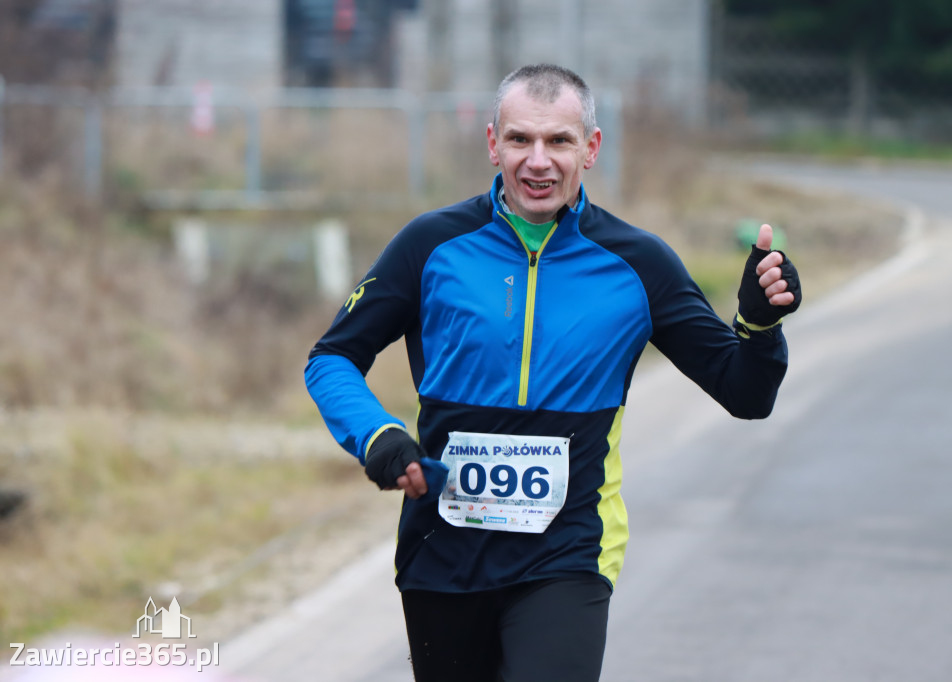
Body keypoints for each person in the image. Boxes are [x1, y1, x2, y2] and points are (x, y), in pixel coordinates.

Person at [305, 63, 800, 682]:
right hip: (444, 548)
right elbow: (331, 358)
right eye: (520, 140)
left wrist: (757, 325)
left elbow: (745, 392)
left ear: (589, 149)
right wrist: (376, 434)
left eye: (558, 141)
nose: (538, 161)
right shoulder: (431, 245)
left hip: (568, 550)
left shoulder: (638, 265)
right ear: (493, 143)